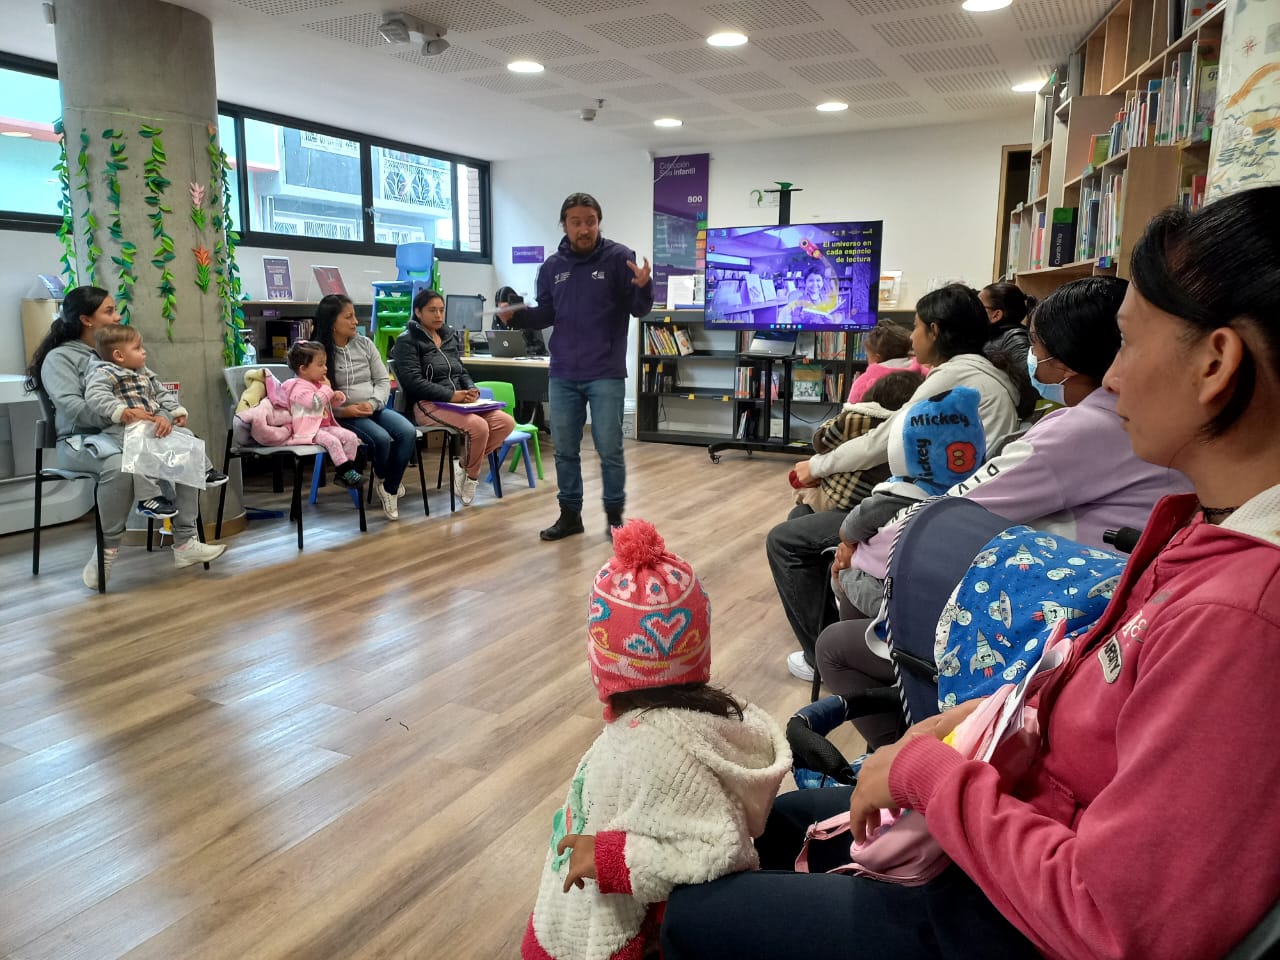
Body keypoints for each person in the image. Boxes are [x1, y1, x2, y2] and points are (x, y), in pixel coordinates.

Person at [661, 186, 1280, 960]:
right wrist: (961, 728)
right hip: (1016, 811)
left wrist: (927, 769)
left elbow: (1118, 923)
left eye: (1127, 344)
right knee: (782, 819)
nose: (1109, 378)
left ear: (1216, 362)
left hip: (1010, 911)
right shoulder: (1204, 530)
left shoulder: (1242, 616)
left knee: (692, 914)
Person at [818, 276, 1192, 747]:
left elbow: (957, 508)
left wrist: (863, 549)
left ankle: (908, 762)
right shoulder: (1145, 420)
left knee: (841, 624)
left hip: (1053, 616)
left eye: (1037, 347)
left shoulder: (1083, 429)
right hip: (1100, 601)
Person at [522, 519, 790, 960]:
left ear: (604, 664)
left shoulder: (649, 747)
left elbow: (717, 848)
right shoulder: (698, 721)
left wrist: (611, 858)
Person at [769, 284, 1023, 683]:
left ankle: (824, 655)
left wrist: (816, 467)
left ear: (935, 331)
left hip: (935, 514)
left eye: (917, 327)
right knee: (801, 517)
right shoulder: (983, 372)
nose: (913, 337)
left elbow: (883, 439)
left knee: (785, 542)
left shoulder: (957, 376)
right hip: (956, 509)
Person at [24, 286, 228, 590]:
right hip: (80, 441)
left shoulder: (120, 348)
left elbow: (152, 392)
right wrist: (124, 415)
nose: (117, 315)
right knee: (119, 465)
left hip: (135, 432)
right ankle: (105, 553)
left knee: (185, 446)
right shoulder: (60, 359)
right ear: (85, 319)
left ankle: (185, 542)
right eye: (108, 310)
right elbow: (73, 408)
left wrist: (163, 416)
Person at [498, 191, 654, 541]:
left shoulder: (618, 258)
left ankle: (616, 521)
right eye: (576, 222)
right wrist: (515, 317)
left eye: (591, 221)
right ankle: (570, 516)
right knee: (565, 450)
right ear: (564, 225)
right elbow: (546, 314)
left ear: (599, 222)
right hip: (564, 372)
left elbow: (638, 309)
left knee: (609, 449)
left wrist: (644, 287)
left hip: (606, 372)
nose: (584, 229)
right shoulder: (553, 267)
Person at [83, 323, 229, 519]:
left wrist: (174, 410)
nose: (144, 352)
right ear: (119, 355)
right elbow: (95, 396)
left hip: (150, 424)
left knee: (186, 435)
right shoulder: (104, 373)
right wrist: (121, 411)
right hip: (122, 429)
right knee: (140, 453)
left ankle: (203, 470)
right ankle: (148, 498)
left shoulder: (143, 373)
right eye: (137, 348)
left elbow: (161, 392)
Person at [391, 288, 515, 506]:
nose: (439, 315)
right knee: (479, 427)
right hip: (428, 404)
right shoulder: (407, 341)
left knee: (505, 422)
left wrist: (471, 389)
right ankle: (472, 477)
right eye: (432, 310)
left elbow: (461, 370)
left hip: (457, 402)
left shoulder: (447, 336)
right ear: (418, 312)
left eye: (441, 310)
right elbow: (414, 383)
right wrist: (451, 395)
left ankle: (465, 466)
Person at [311, 293, 415, 521]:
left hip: (372, 408)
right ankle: (387, 480)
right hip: (342, 415)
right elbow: (313, 395)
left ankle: (388, 486)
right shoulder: (318, 353)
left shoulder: (365, 344)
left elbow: (383, 380)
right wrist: (344, 411)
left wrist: (373, 403)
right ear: (332, 322)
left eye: (354, 316)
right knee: (381, 438)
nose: (355, 322)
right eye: (348, 317)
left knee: (407, 432)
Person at [789, 370, 923, 515]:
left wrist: (836, 419)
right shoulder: (910, 428)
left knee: (801, 490)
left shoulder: (854, 418)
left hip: (838, 498)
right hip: (874, 500)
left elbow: (821, 443)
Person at [277, 340, 363, 489]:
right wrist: (327, 390)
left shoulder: (317, 384)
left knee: (351, 437)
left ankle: (344, 473)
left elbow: (324, 405)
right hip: (309, 430)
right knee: (333, 442)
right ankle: (346, 472)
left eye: (325, 363)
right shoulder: (296, 387)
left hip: (324, 426)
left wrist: (336, 397)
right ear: (303, 369)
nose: (325, 368)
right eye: (320, 364)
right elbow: (315, 403)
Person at [980, 281, 1039, 418]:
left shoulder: (1014, 339)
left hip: (1007, 415)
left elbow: (1032, 380)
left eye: (979, 307)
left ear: (996, 315)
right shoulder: (991, 335)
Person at [845, 319, 928, 404]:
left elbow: (850, 408)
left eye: (868, 355)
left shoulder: (864, 381)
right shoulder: (925, 373)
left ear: (877, 357)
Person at [491, 285, 548, 358]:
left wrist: (522, 350)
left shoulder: (526, 316)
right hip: (507, 359)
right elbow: (494, 340)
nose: (503, 315)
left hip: (530, 361)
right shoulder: (497, 317)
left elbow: (540, 346)